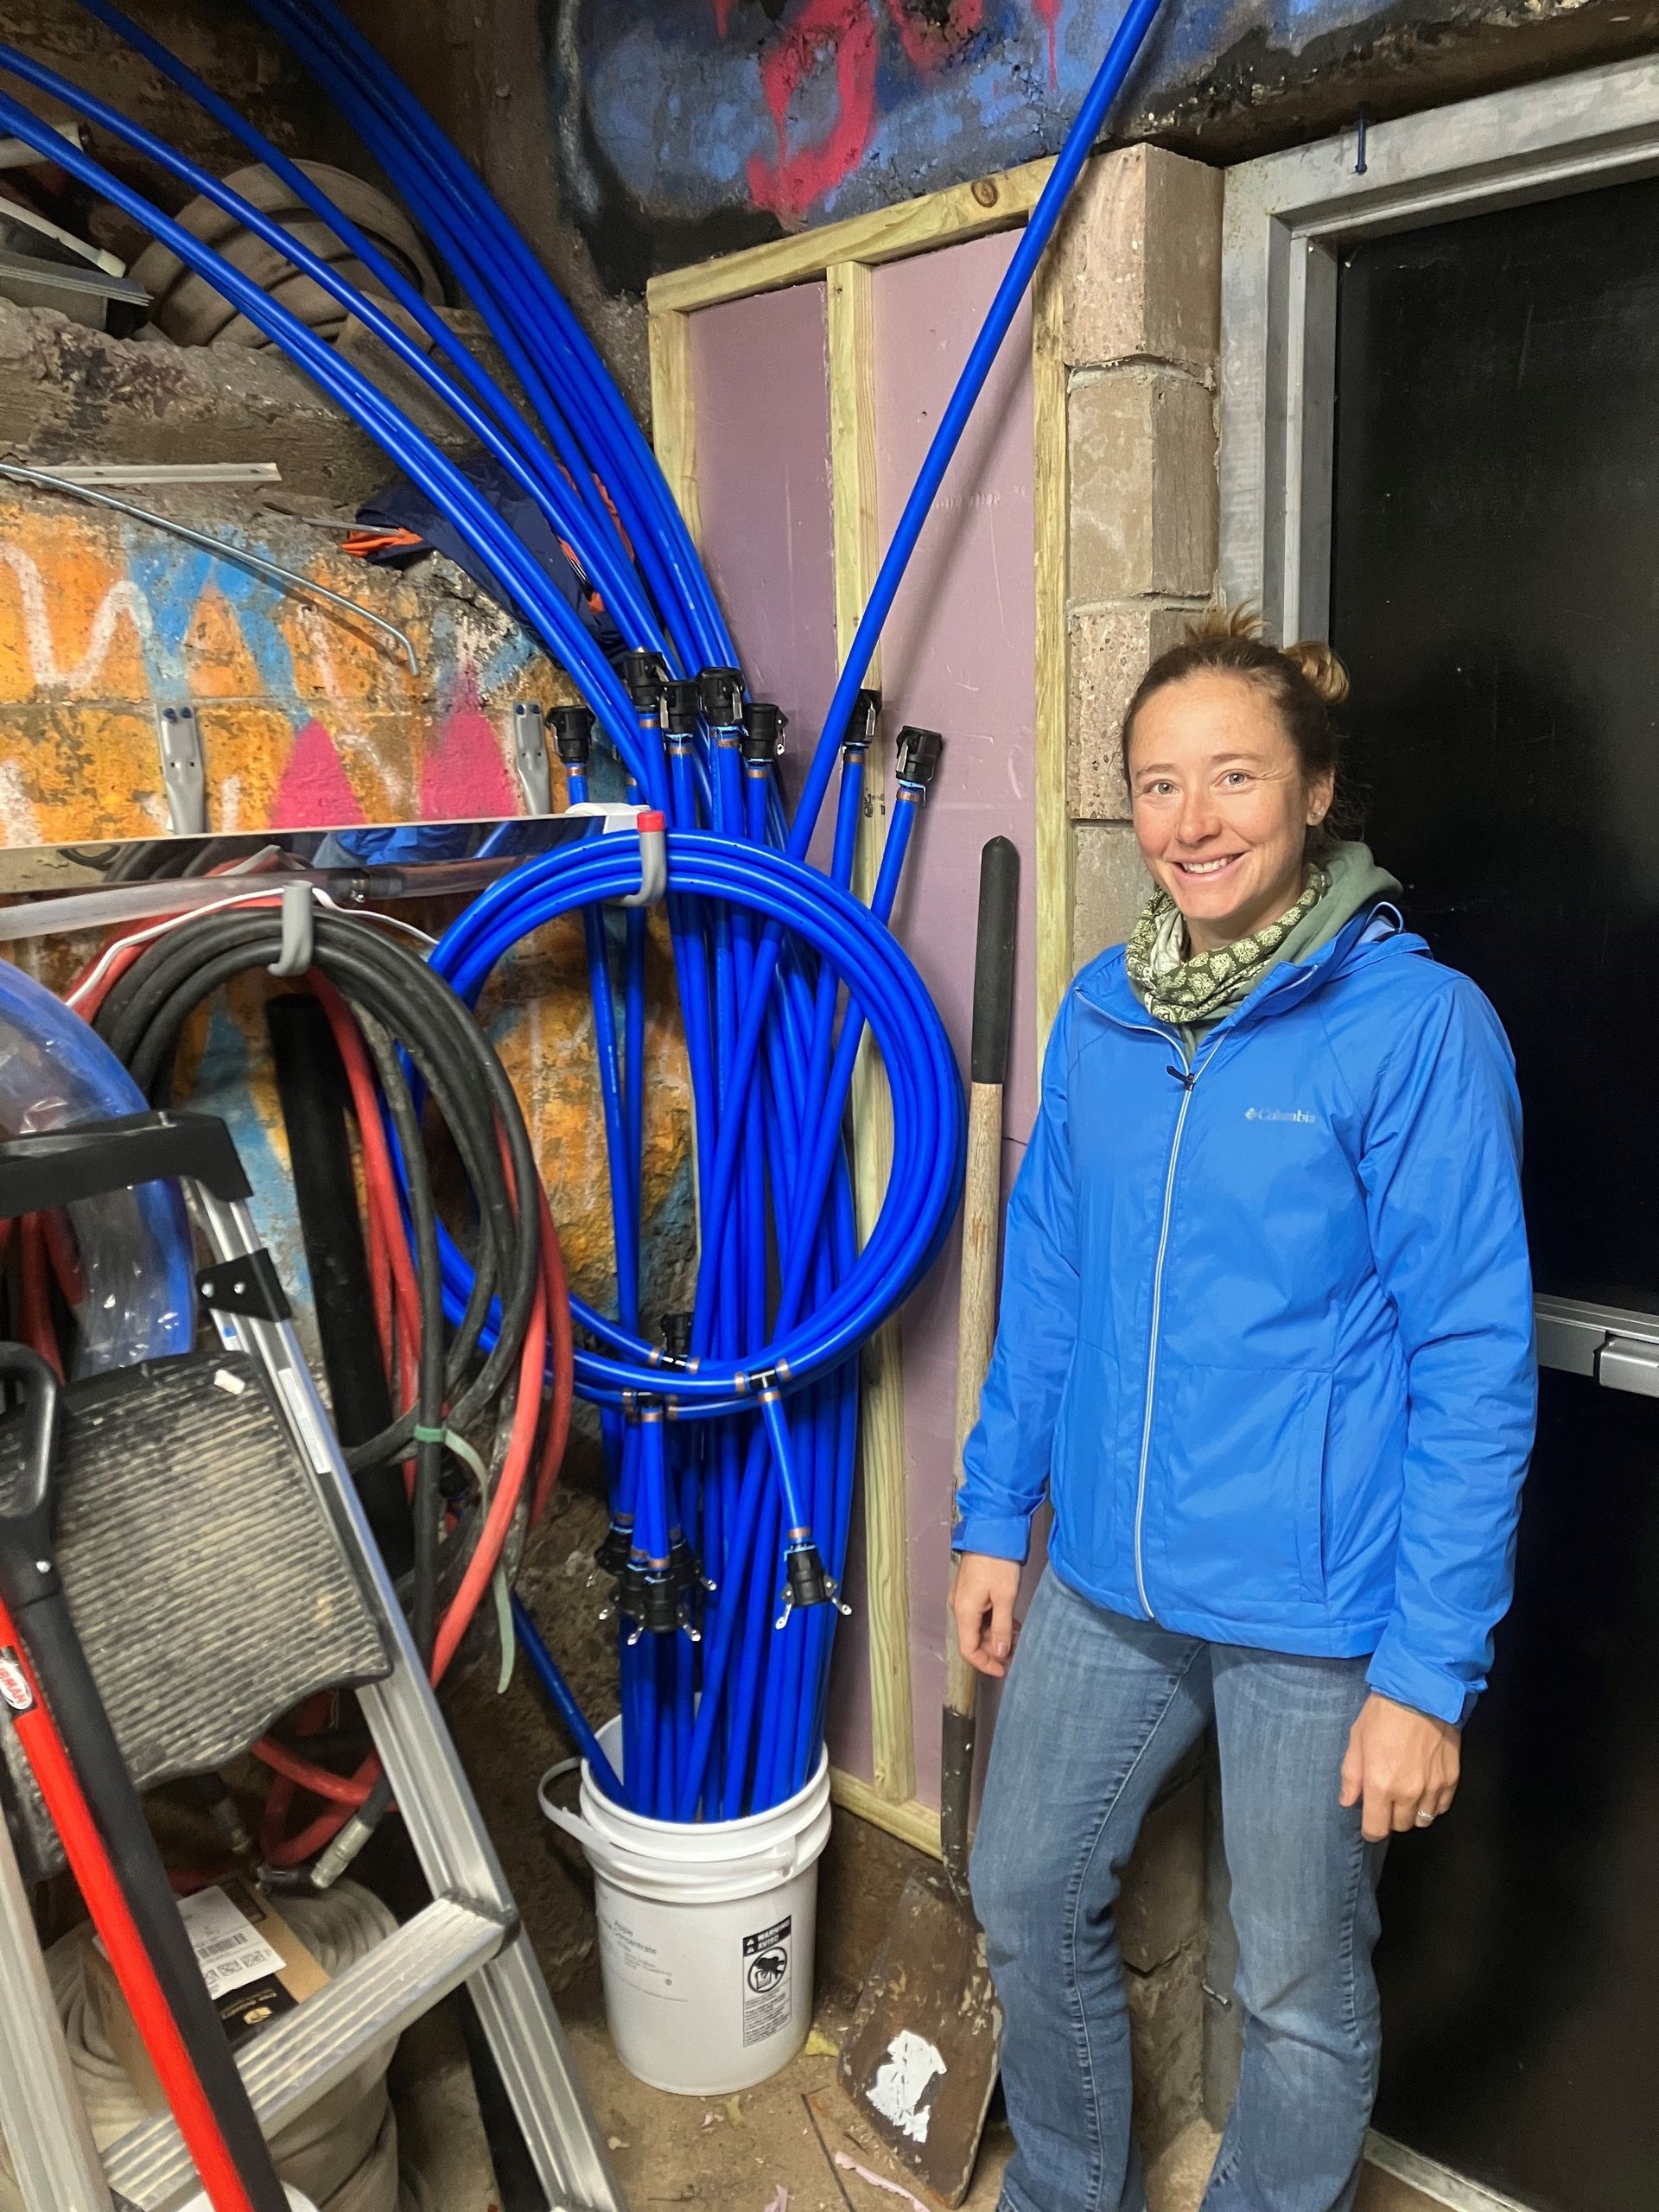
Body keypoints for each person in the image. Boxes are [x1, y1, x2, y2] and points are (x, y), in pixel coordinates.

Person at [952, 608, 1536, 2212]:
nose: (1191, 821)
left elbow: (1473, 1363)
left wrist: (1426, 1673)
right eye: (1158, 784)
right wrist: (995, 1516)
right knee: (1023, 1893)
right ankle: (1066, 2191)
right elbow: (1050, 1287)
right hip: (1110, 1580)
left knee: (1292, 1987)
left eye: (1234, 777)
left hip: (1314, 1614)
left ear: (1316, 791)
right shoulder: (1103, 1013)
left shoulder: (1413, 1030)